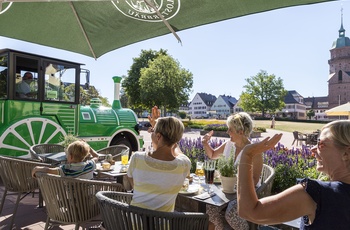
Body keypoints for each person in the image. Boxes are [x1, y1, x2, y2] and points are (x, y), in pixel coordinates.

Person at [237, 120, 350, 230]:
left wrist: (247, 154)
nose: (312, 149)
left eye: (321, 144)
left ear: (346, 153)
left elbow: (249, 212)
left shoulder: (318, 194)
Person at [202, 112, 263, 230]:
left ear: (241, 132)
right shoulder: (229, 144)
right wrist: (205, 143)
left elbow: (255, 180)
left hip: (247, 191)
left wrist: (237, 189)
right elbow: (213, 155)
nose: (227, 132)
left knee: (231, 212)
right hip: (228, 188)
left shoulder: (255, 152)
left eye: (230, 129)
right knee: (210, 208)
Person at [127, 106, 191, 212]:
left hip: (134, 223)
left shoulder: (137, 158)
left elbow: (132, 182)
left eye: (153, 131)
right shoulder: (184, 164)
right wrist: (160, 132)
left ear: (158, 137)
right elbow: (176, 150)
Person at [32, 140, 99, 179]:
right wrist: (88, 148)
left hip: (70, 202)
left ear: (71, 157)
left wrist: (37, 168)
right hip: (89, 200)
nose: (66, 156)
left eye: (67, 154)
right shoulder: (90, 165)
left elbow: (48, 170)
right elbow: (96, 156)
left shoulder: (65, 169)